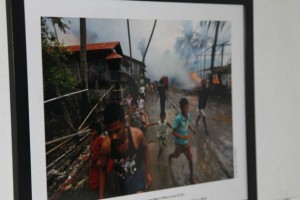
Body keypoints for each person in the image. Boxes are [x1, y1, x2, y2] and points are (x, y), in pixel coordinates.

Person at [97, 102, 152, 199]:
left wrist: (148, 172)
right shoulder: (106, 145)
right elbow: (101, 166)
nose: (114, 137)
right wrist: (101, 196)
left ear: (123, 122)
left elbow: (146, 148)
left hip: (138, 177)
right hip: (121, 184)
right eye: (110, 132)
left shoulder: (137, 135)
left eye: (117, 130)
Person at [169, 97, 196, 184]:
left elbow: (187, 124)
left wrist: (192, 129)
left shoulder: (187, 115)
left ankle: (192, 179)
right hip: (179, 144)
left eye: (188, 107)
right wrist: (182, 137)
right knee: (176, 155)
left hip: (186, 143)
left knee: (190, 159)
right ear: (181, 108)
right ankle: (170, 156)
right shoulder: (178, 119)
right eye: (186, 107)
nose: (188, 109)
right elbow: (173, 132)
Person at [89, 122, 113, 191]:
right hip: (94, 161)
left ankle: (102, 187)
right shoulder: (92, 139)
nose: (91, 133)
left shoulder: (100, 139)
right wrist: (90, 155)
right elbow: (92, 148)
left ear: (98, 131)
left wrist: (101, 158)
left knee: (101, 174)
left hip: (101, 160)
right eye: (91, 131)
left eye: (93, 131)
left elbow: (105, 149)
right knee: (93, 176)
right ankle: (96, 186)